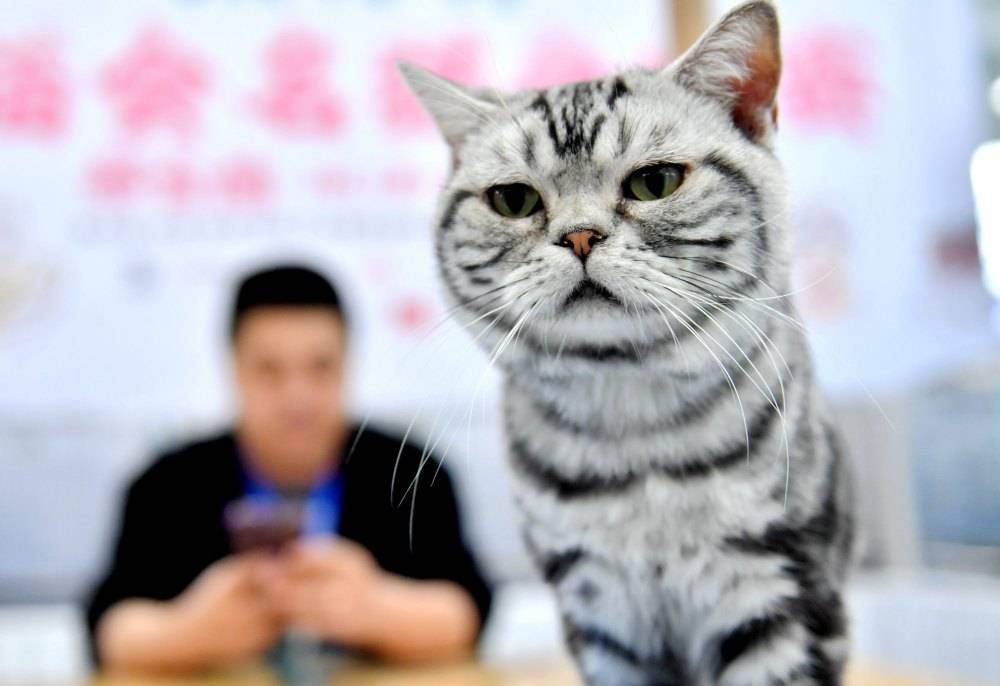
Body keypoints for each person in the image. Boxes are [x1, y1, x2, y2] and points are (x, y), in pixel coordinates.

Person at [85, 265, 492, 674]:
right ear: (234, 370)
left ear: (347, 364)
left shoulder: (411, 474)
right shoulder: (166, 486)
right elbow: (110, 629)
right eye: (269, 370)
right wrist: (190, 631)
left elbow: (468, 611)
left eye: (320, 367)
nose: (297, 397)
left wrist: (377, 610)